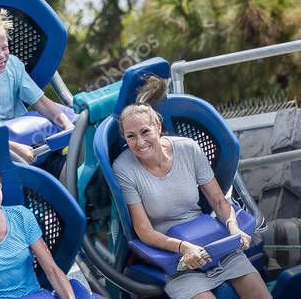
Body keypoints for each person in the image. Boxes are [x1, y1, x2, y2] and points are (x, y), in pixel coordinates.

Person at [113, 75, 271, 299]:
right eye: (131, 137)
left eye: (145, 132)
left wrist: (234, 228)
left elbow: (218, 200)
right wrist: (183, 248)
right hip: (173, 255)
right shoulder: (123, 167)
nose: (139, 142)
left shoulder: (189, 149)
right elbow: (144, 231)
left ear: (157, 126)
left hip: (213, 241)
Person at [0, 157, 83, 299]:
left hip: (36, 295)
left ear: (0, 185)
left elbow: (52, 269)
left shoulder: (21, 216)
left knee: (77, 290)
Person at [0, 9, 74, 162]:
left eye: (4, 47)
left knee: (71, 120)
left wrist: (66, 125)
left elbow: (40, 101)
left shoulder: (13, 64)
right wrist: (13, 148)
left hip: (23, 135)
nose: (1, 55)